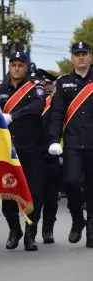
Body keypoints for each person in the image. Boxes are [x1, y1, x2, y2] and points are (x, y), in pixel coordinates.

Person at [0, 51, 46, 251]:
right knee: (8, 192)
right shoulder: (0, 91)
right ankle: (14, 229)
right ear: (9, 67)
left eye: (20, 65)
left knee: (34, 193)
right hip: (9, 150)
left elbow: (37, 106)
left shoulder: (35, 88)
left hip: (33, 148)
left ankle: (30, 233)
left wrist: (14, 116)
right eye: (13, 65)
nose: (16, 68)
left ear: (26, 67)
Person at [48, 42, 93, 248]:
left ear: (90, 57)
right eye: (77, 54)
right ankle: (77, 218)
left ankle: (91, 230)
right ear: (72, 58)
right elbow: (56, 114)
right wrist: (54, 140)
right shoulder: (63, 83)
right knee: (71, 181)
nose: (81, 57)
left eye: (84, 54)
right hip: (73, 143)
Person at [36, 69, 60, 244]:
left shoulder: (55, 103)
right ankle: (30, 230)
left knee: (51, 196)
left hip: (51, 154)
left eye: (46, 84)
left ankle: (48, 229)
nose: (44, 87)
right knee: (35, 195)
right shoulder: (30, 102)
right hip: (32, 153)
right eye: (41, 84)